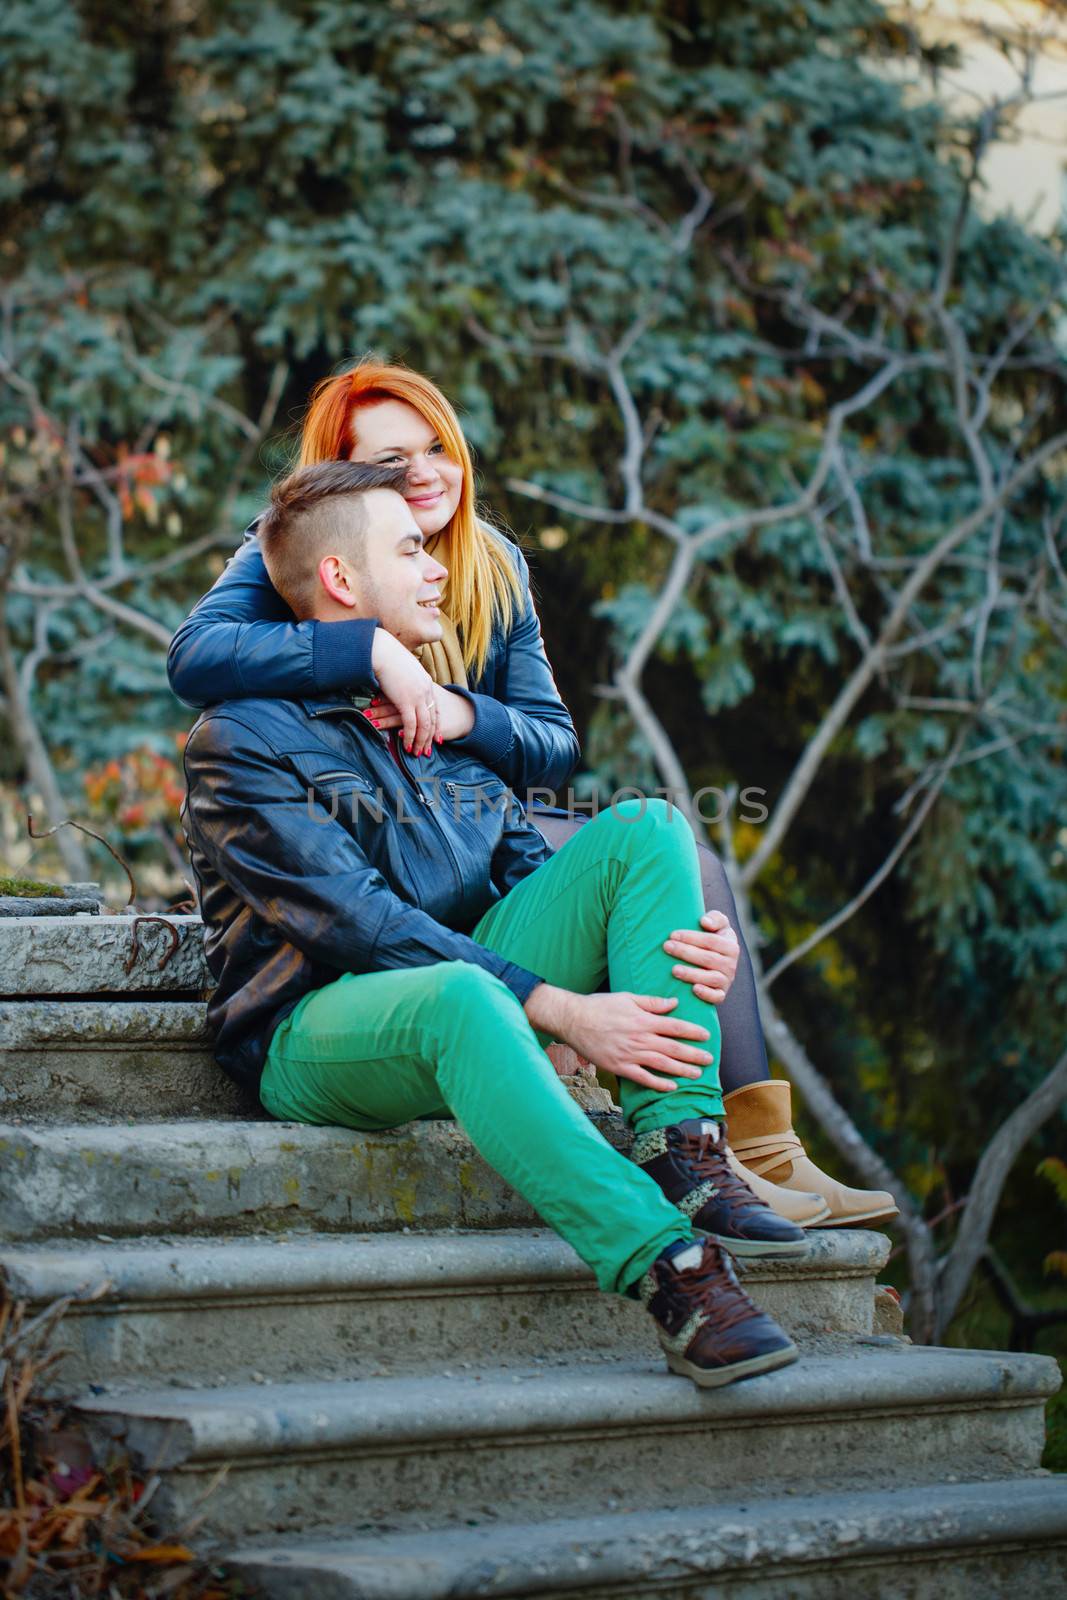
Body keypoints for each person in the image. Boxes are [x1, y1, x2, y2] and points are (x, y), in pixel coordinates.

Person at [168, 359, 896, 1230]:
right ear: (347, 477)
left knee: (676, 856)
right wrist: (366, 653)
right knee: (660, 865)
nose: (428, 471)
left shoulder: (492, 562)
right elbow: (196, 659)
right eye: (394, 460)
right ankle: (694, 1177)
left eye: (440, 446)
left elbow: (550, 746)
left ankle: (737, 1149)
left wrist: (456, 711)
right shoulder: (285, 549)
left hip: (463, 820)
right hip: (352, 844)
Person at [181, 460, 808, 1389]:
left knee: (646, 831)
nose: (439, 568)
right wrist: (557, 1007)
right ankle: (672, 1270)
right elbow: (358, 924)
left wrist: (651, 943)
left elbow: (532, 875)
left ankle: (682, 1141)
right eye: (410, 550)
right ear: (343, 582)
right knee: (463, 997)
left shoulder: (432, 714)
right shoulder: (241, 739)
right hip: (312, 1030)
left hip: (464, 988)